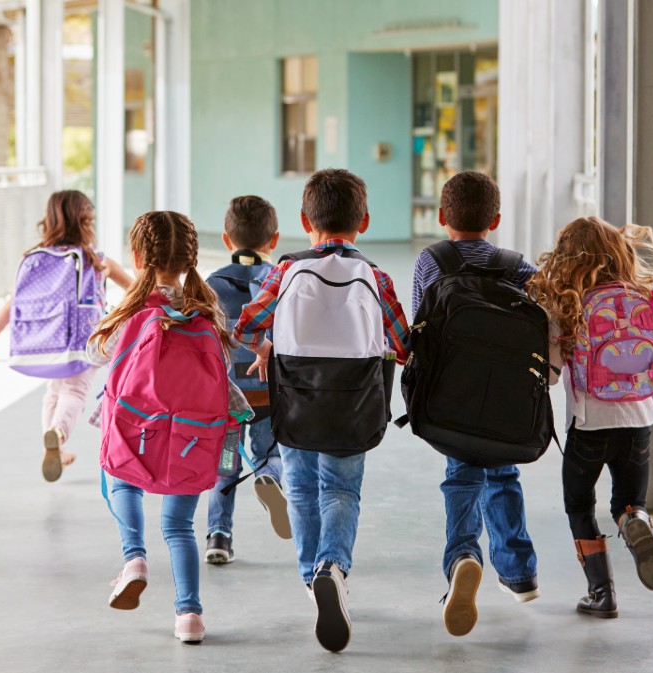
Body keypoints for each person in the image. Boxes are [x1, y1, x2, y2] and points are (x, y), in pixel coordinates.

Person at [237, 169, 410, 652]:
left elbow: (247, 326)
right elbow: (402, 344)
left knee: (301, 488)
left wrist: (270, 346)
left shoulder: (287, 269)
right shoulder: (375, 275)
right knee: (340, 490)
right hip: (354, 404)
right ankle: (333, 566)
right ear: (365, 222)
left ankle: (313, 575)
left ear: (303, 220)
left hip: (296, 399)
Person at [87, 211, 248, 644]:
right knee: (179, 528)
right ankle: (190, 617)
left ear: (138, 257)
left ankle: (134, 558)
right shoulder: (207, 314)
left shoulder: (132, 314)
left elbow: (110, 373)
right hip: (192, 438)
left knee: (118, 480)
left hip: (138, 432)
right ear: (191, 259)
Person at [528, 216, 653, 618]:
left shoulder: (568, 302)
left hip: (588, 425)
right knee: (629, 499)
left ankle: (602, 594)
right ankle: (634, 521)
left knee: (580, 505)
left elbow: (550, 373)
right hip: (639, 421)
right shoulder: (646, 296)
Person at [410, 171, 542, 636]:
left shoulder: (432, 261)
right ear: (497, 219)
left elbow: (418, 328)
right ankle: (520, 573)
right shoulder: (517, 267)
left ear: (443, 218)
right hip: (507, 401)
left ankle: (463, 556)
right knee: (503, 471)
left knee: (461, 473)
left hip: (452, 397)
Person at [0, 190, 132, 481]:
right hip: (83, 341)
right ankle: (58, 434)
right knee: (75, 391)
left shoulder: (36, 258)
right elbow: (135, 291)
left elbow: (13, 302)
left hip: (47, 338)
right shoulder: (96, 260)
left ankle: (56, 442)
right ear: (85, 221)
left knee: (55, 391)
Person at [203, 195, 290, 565]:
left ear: (226, 240)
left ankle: (218, 538)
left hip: (228, 400)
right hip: (268, 392)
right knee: (271, 452)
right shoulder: (283, 279)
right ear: (275, 239)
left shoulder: (211, 285)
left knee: (225, 467)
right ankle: (268, 474)